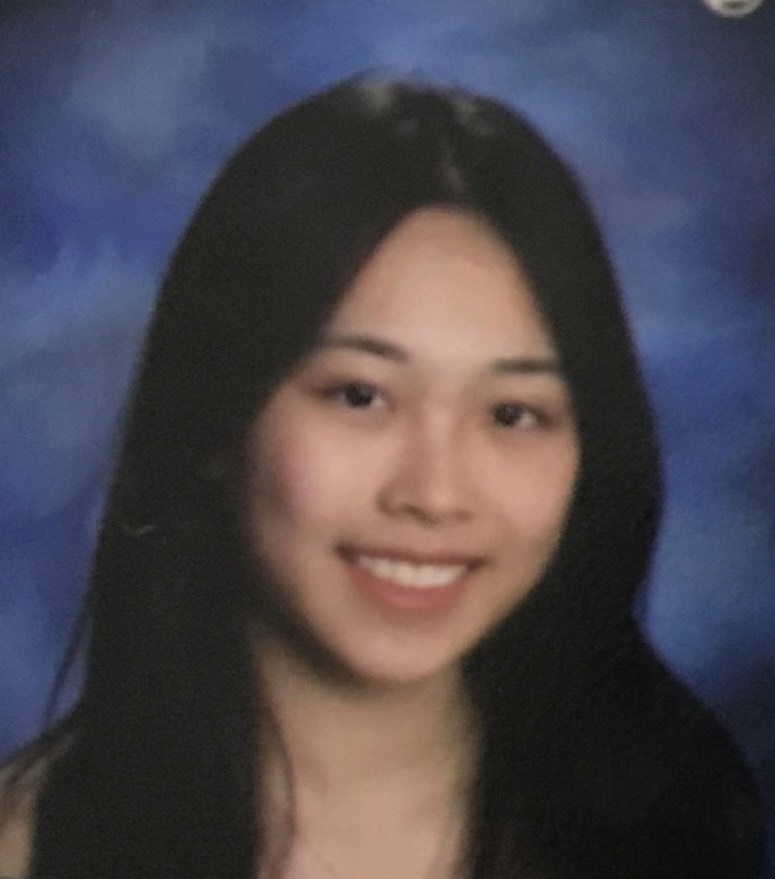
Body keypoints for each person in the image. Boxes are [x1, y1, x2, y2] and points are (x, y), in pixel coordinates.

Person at [0, 72, 763, 879]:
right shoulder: (28, 851)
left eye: (512, 412)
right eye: (360, 395)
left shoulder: (677, 821)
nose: (433, 494)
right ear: (218, 418)